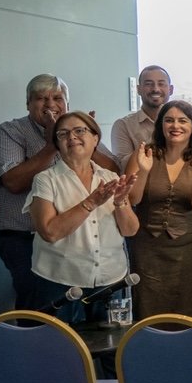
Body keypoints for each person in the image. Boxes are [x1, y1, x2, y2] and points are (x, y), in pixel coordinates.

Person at [0, 74, 118, 311]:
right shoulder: (10, 131)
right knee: (40, 311)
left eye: (57, 98)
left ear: (67, 103)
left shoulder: (78, 130)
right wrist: (51, 145)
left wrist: (90, 139)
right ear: (28, 104)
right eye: (41, 98)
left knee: (83, 314)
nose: (50, 105)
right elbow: (13, 182)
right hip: (24, 238)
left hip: (79, 241)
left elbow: (113, 172)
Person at [26, 111, 138, 323]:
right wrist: (91, 203)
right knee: (62, 350)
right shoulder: (45, 180)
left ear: (95, 138)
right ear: (57, 143)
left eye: (80, 131)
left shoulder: (110, 177)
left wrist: (120, 202)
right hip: (60, 281)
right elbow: (50, 232)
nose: (72, 137)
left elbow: (130, 230)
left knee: (111, 349)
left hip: (110, 280)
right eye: (63, 134)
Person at [123, 100, 192, 320]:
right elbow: (132, 198)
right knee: (147, 304)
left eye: (183, 120)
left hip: (188, 246)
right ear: (161, 125)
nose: (176, 126)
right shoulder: (145, 153)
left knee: (187, 304)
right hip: (147, 246)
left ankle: (187, 352)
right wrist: (144, 171)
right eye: (169, 120)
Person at [111, 65, 173, 169]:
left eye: (161, 84)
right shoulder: (123, 126)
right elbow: (123, 168)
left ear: (171, 89)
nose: (156, 89)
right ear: (138, 89)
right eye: (149, 84)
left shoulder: (183, 124)